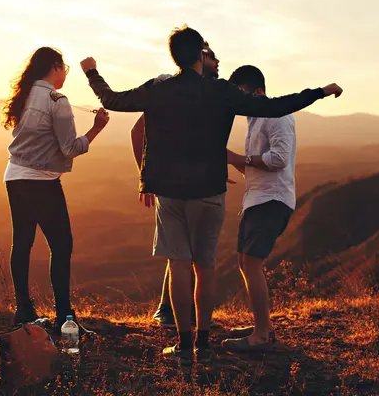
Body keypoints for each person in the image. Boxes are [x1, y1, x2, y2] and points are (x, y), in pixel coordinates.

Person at [80, 25, 342, 364]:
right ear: (200, 56)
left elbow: (113, 100)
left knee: (179, 266)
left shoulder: (159, 90)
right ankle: (204, 343)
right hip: (209, 191)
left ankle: (184, 345)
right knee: (206, 267)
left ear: (174, 55)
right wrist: (319, 91)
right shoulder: (221, 92)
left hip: (170, 193)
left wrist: (91, 73)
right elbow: (276, 106)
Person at [3, 46, 110, 335]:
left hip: (14, 176)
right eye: (64, 68)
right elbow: (70, 148)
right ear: (54, 66)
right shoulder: (57, 100)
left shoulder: (25, 95)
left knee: (22, 243)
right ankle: (65, 317)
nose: (65, 74)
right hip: (42, 181)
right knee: (61, 246)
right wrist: (97, 128)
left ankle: (24, 310)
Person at [129, 42, 221, 329]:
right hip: (173, 184)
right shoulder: (170, 89)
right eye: (213, 57)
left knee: (184, 252)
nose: (219, 63)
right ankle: (169, 312)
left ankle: (178, 316)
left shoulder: (203, 93)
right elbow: (137, 130)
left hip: (193, 181)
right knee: (181, 253)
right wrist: (146, 177)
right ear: (199, 58)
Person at [222, 65, 297, 352]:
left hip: (272, 200)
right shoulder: (255, 119)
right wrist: (231, 161)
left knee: (252, 264)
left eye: (239, 93)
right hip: (257, 199)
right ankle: (260, 324)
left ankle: (261, 335)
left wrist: (239, 157)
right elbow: (255, 166)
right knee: (245, 262)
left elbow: (278, 159)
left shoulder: (276, 115)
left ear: (257, 91)